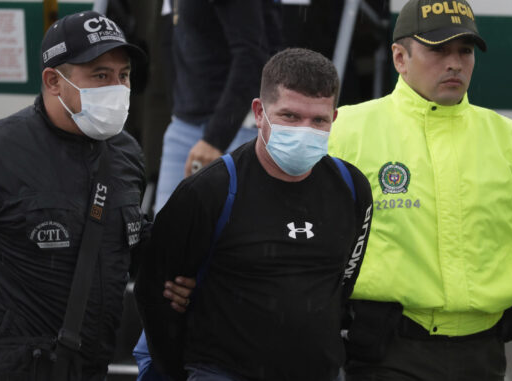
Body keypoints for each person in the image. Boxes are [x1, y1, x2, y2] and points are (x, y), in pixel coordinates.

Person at [327, 0, 512, 380]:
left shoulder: (511, 142)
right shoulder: (344, 132)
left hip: (484, 357)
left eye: (465, 51)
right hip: (383, 354)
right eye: (438, 50)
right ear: (399, 57)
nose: (455, 63)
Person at [135, 47, 374, 381]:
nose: (305, 129)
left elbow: (341, 284)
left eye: (318, 119)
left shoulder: (352, 189)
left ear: (333, 119)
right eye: (290, 116)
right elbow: (154, 294)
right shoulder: (209, 191)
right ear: (259, 112)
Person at [0, 11, 148, 380]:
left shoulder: (126, 156)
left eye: (124, 76)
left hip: (88, 368)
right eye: (100, 75)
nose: (117, 89)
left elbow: (125, 244)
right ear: (54, 81)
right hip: (5, 369)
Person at [153, 0, 283, 213]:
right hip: (185, 124)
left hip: (237, 127)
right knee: (165, 237)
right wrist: (179, 106)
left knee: (236, 236)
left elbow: (252, 57)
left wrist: (215, 138)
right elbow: (171, 40)